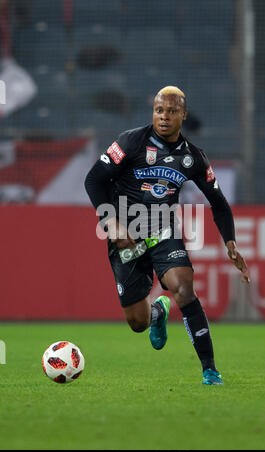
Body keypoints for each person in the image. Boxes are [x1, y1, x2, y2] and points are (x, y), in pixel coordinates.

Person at [84, 86, 250, 385]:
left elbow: (219, 204)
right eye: (159, 110)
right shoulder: (130, 141)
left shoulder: (194, 158)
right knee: (137, 322)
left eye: (171, 111)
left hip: (163, 230)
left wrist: (230, 242)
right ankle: (157, 312)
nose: (164, 117)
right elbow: (94, 179)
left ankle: (210, 370)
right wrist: (111, 222)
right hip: (126, 235)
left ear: (183, 115)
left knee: (184, 289)